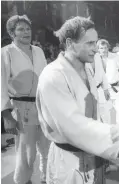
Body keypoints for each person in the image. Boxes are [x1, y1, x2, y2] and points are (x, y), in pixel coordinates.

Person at [36, 16, 119, 184]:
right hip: (68, 161)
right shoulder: (52, 75)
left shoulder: (87, 69)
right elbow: (72, 124)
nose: (96, 49)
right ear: (69, 43)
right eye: (89, 43)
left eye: (96, 42)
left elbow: (93, 116)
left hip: (92, 156)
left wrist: (104, 153)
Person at [1, 15, 49, 184]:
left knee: (48, 149)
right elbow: (0, 86)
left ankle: (46, 179)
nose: (26, 32)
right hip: (21, 109)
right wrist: (7, 116)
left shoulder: (38, 51)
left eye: (28, 28)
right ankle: (23, 181)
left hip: (42, 107)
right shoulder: (5, 53)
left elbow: (45, 79)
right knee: (27, 154)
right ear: (12, 33)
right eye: (20, 29)